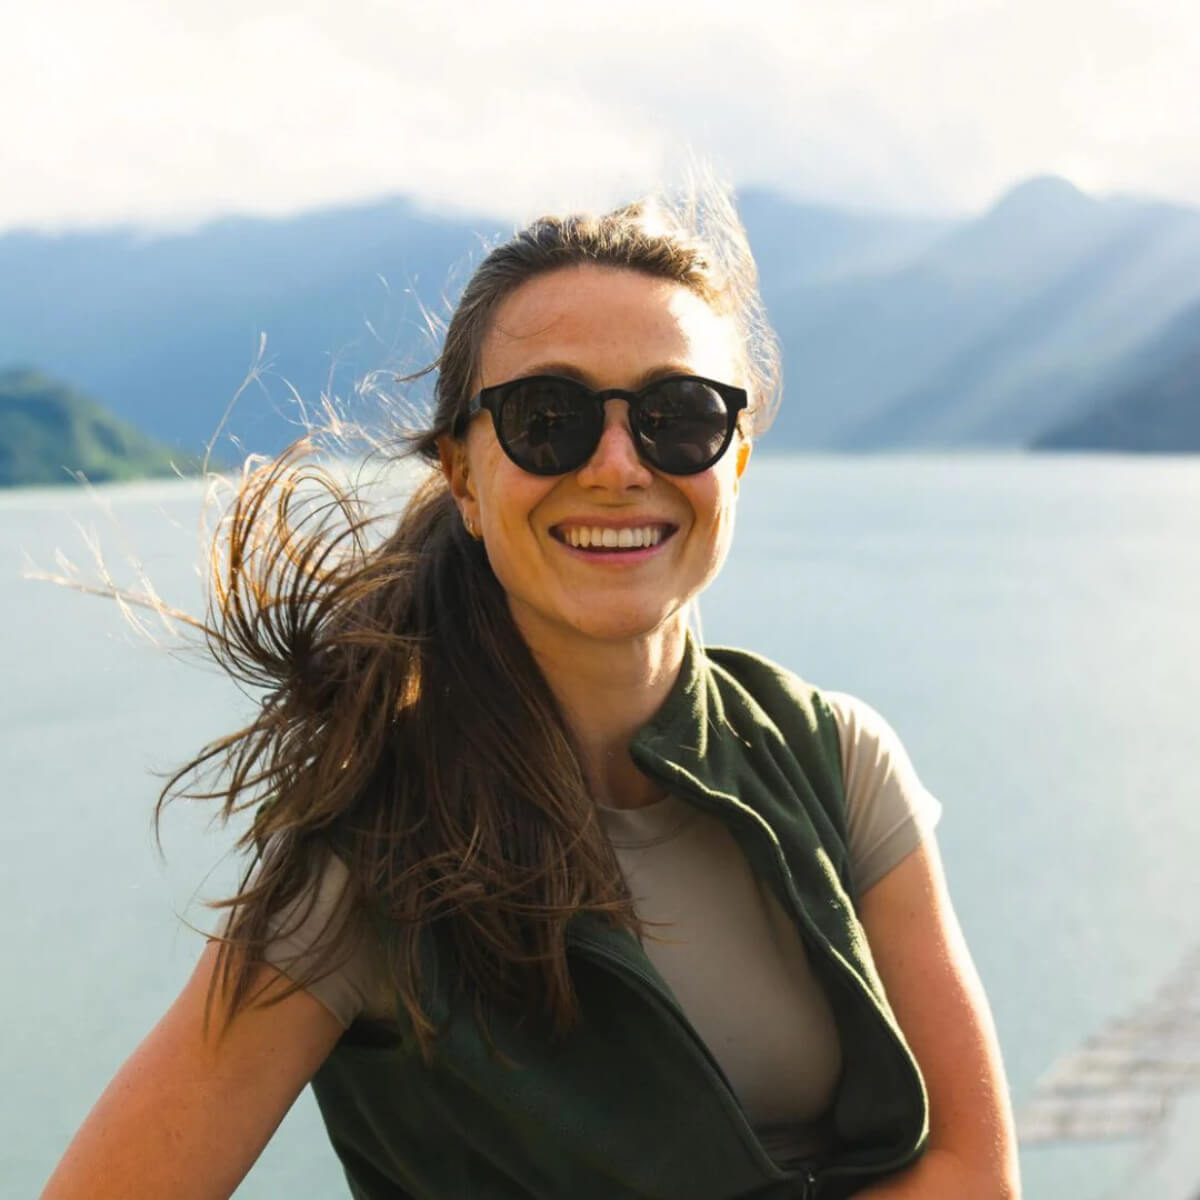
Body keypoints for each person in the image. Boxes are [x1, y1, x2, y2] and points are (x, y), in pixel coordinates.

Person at [41, 186, 1020, 1199]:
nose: (615, 466)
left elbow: (976, 1174)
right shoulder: (371, 861)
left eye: (677, 417)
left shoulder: (834, 758)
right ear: (463, 474)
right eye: (546, 419)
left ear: (738, 460)